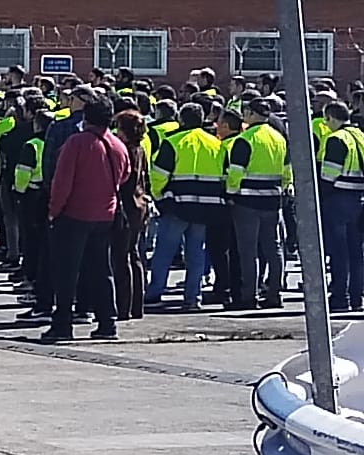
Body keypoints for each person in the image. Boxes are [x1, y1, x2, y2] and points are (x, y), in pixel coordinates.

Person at [43, 97, 128, 342]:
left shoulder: (77, 143)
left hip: (74, 214)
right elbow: (124, 175)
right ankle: (107, 322)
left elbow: (62, 182)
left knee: (66, 272)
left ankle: (62, 324)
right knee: (101, 269)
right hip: (105, 215)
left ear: (85, 117)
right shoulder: (117, 145)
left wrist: (53, 210)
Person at [147, 102, 225, 311]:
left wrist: (158, 197)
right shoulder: (217, 144)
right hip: (206, 207)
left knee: (164, 251)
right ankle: (193, 297)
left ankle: (155, 292)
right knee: (196, 253)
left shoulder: (173, 142)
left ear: (181, 119)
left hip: (177, 205)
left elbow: (158, 175)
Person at [226, 96, 289, 309]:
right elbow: (287, 173)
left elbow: (235, 174)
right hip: (273, 201)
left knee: (248, 251)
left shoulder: (245, 140)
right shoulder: (279, 138)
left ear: (252, 115)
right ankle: (275, 294)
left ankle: (249, 296)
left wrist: (231, 194)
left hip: (247, 202)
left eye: (246, 112)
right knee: (274, 249)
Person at [319, 101, 364, 314]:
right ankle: (356, 296)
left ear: (331, 118)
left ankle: (340, 296)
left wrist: (320, 196)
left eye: (326, 120)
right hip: (358, 198)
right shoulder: (360, 136)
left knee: (339, 251)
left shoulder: (336, 139)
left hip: (338, 199)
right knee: (356, 251)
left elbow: (329, 174)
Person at [110, 109, 151, 320]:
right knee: (134, 255)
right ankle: (137, 306)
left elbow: (123, 182)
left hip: (126, 207)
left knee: (121, 257)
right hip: (139, 205)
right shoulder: (141, 149)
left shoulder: (124, 150)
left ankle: (123, 307)